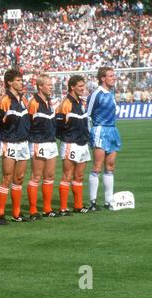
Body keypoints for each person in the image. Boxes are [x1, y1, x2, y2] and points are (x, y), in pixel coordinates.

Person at [0, 69, 31, 224]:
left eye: (22, 80)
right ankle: (0, 214)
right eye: (18, 80)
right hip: (9, 141)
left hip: (23, 142)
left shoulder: (24, 99)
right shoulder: (3, 101)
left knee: (19, 178)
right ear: (9, 82)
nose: (21, 83)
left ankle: (16, 213)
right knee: (7, 178)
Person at [87, 67, 121, 211]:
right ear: (102, 78)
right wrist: (91, 133)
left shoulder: (112, 92)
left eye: (114, 75)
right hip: (100, 130)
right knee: (97, 166)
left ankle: (108, 201)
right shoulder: (96, 94)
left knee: (110, 166)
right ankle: (93, 202)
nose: (114, 78)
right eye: (111, 76)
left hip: (112, 130)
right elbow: (87, 115)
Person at [56, 75, 91, 215]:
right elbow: (58, 126)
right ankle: (63, 208)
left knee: (79, 176)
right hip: (71, 143)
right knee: (67, 175)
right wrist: (67, 137)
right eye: (80, 86)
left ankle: (78, 205)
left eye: (84, 86)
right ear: (72, 87)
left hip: (83, 144)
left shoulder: (82, 103)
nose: (83, 89)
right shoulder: (66, 104)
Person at [27, 73, 60, 220]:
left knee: (50, 176)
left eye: (51, 85)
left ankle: (47, 208)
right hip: (38, 142)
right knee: (36, 176)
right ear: (40, 86)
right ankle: (33, 211)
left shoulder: (50, 102)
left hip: (51, 142)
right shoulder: (33, 103)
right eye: (48, 85)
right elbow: (28, 124)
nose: (51, 87)